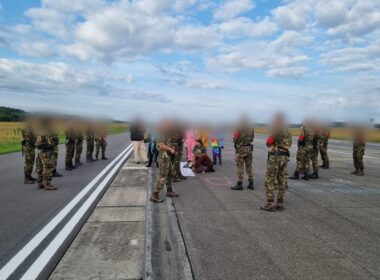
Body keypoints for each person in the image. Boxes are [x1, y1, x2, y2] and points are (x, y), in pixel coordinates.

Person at [261, 114, 292, 211]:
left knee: (269, 179)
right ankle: (280, 203)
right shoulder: (288, 130)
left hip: (276, 157)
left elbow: (268, 143)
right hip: (284, 157)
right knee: (281, 180)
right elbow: (289, 144)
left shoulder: (276, 130)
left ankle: (270, 203)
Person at [150, 120, 179, 203]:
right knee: (162, 176)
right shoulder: (161, 133)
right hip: (163, 157)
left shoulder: (167, 132)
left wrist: (172, 148)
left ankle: (169, 191)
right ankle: (155, 194)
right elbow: (161, 145)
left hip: (167, 156)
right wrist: (170, 149)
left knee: (170, 174)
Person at [231, 118, 255, 191]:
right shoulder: (251, 128)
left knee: (240, 167)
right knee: (249, 166)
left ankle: (239, 184)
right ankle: (251, 183)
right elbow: (252, 138)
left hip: (241, 149)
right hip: (249, 149)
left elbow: (234, 139)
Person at [36, 117, 57, 190]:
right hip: (46, 152)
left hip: (41, 151)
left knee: (40, 167)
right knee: (48, 167)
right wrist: (50, 145)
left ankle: (40, 183)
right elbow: (49, 143)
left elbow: (38, 143)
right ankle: (47, 184)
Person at [21, 116, 37, 184]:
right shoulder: (27, 129)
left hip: (31, 147)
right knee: (28, 163)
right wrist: (35, 143)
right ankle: (26, 178)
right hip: (28, 147)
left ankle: (29, 176)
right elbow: (29, 139)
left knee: (31, 162)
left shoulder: (30, 128)